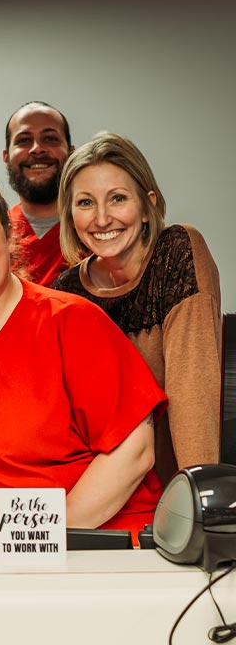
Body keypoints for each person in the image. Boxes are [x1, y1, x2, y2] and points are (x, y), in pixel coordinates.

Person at [0, 149, 166, 552]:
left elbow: (134, 451)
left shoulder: (73, 320)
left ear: (10, 239)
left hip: (88, 543)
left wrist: (35, 533)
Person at [53, 133, 222, 484]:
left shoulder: (177, 252)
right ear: (69, 215)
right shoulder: (66, 290)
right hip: (99, 492)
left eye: (117, 198)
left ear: (148, 205)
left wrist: (195, 499)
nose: (102, 219)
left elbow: (193, 391)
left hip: (172, 490)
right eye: (85, 203)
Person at [3, 101, 74, 286]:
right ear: (6, 158)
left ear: (71, 153)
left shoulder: (97, 229)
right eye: (24, 140)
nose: (37, 149)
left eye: (50, 138)